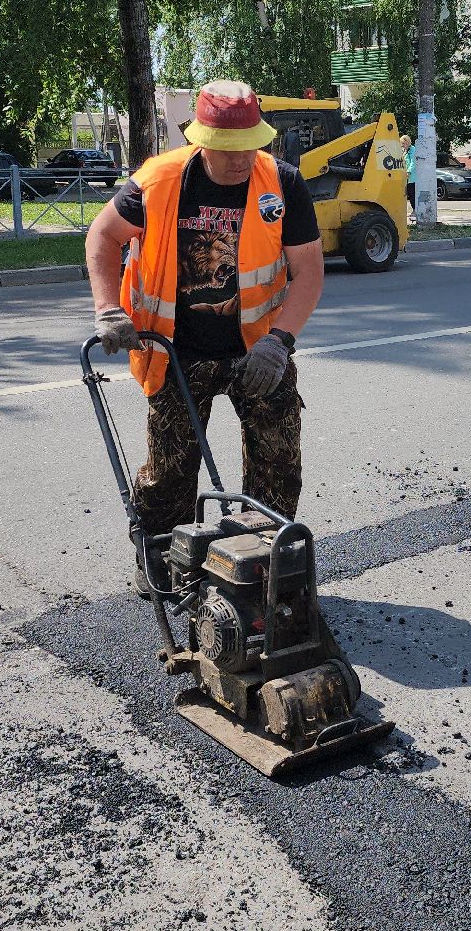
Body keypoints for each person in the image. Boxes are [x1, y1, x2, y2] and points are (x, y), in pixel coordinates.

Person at [87, 80, 326, 584]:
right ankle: (161, 564)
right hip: (176, 351)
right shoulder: (160, 181)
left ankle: (262, 567)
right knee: (169, 475)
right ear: (202, 140)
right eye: (230, 149)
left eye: (252, 145)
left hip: (257, 349)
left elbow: (308, 272)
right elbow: (103, 237)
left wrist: (279, 342)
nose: (243, 159)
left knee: (278, 464)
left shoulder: (281, 183)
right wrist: (108, 309)